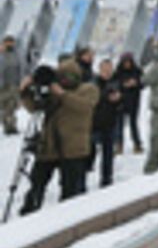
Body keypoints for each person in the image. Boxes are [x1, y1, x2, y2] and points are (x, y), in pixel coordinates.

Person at [18, 59, 99, 213]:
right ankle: (28, 214)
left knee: (70, 191)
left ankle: (66, 219)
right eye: (61, 77)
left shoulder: (88, 89)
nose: (64, 81)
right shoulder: (52, 91)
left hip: (73, 149)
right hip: (48, 147)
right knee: (36, 185)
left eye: (68, 77)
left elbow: (85, 107)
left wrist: (62, 94)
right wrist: (25, 92)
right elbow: (35, 108)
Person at [90, 58, 123, 187]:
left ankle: (106, 178)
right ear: (100, 69)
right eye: (105, 69)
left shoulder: (116, 83)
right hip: (94, 122)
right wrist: (106, 97)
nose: (107, 72)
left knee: (108, 154)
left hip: (110, 122)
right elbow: (92, 98)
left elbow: (124, 101)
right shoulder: (94, 82)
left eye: (110, 69)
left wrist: (119, 99)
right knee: (89, 151)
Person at [113, 52, 144, 154]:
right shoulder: (117, 73)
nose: (127, 64)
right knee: (119, 124)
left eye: (128, 62)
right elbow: (113, 85)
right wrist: (122, 85)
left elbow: (143, 83)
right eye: (125, 62)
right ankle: (119, 144)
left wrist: (135, 83)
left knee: (133, 123)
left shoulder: (137, 71)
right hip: (121, 101)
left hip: (133, 101)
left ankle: (137, 144)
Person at [0, 34, 21, 134]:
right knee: (4, 107)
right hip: (2, 86)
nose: (10, 44)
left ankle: (11, 126)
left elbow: (20, 68)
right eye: (7, 42)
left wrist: (20, 82)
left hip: (13, 85)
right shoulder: (1, 54)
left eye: (11, 42)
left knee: (11, 106)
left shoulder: (16, 54)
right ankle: (6, 125)